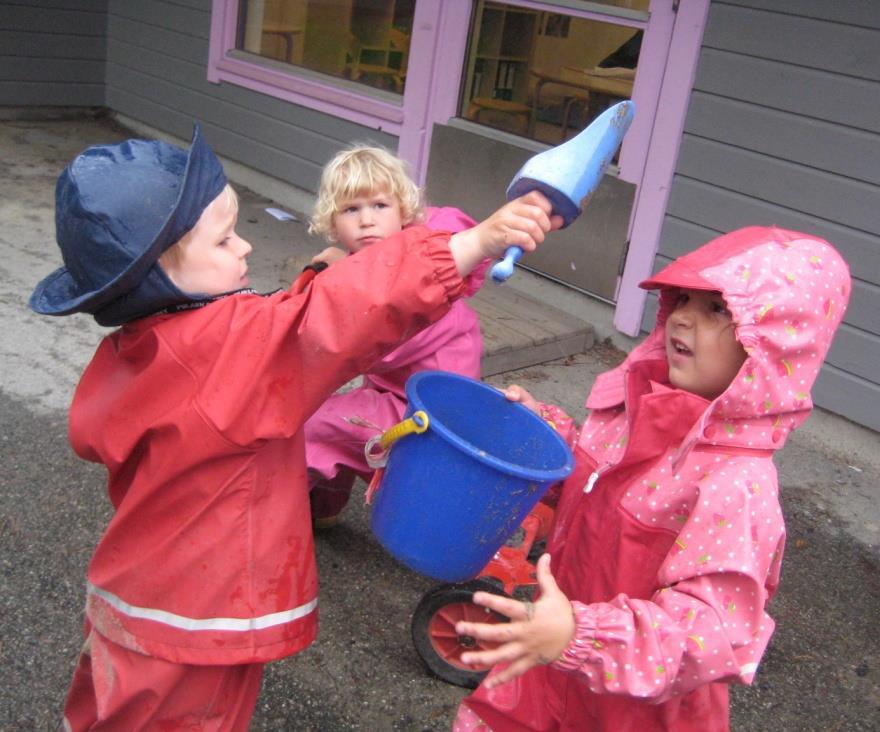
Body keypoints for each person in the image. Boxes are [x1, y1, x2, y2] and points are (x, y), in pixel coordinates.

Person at [28, 126, 560, 730]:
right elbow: (334, 317)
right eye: (225, 239)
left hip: (138, 591)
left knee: (110, 709)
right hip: (203, 614)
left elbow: (269, 327)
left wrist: (313, 275)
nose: (246, 247)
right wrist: (475, 241)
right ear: (160, 276)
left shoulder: (144, 346)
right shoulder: (232, 353)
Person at [452, 226, 851, 731]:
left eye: (718, 310)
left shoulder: (737, 483)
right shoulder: (637, 407)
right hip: (551, 658)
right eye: (683, 298)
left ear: (772, 350)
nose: (683, 316)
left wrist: (582, 636)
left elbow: (707, 631)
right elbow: (588, 480)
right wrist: (542, 439)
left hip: (635, 707)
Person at [302, 145, 488, 528]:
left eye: (379, 206)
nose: (367, 220)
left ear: (404, 212)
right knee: (330, 410)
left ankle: (284, 512)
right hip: (401, 393)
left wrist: (339, 282)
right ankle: (320, 510)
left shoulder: (422, 273)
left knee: (311, 425)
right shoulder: (373, 262)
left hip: (428, 416)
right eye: (351, 210)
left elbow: (381, 348)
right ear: (334, 224)